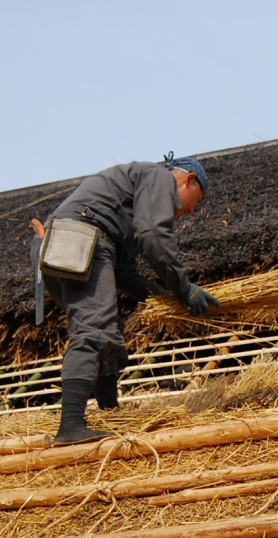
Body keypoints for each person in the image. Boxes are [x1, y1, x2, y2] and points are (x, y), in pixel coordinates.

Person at [30, 154, 219, 445]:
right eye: (197, 199)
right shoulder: (158, 177)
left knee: (109, 332)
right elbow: (153, 234)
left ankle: (109, 413)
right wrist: (184, 288)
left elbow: (126, 273)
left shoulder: (124, 207)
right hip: (81, 239)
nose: (193, 210)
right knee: (95, 330)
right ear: (188, 179)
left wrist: (162, 300)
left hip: (67, 244)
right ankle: (69, 427)